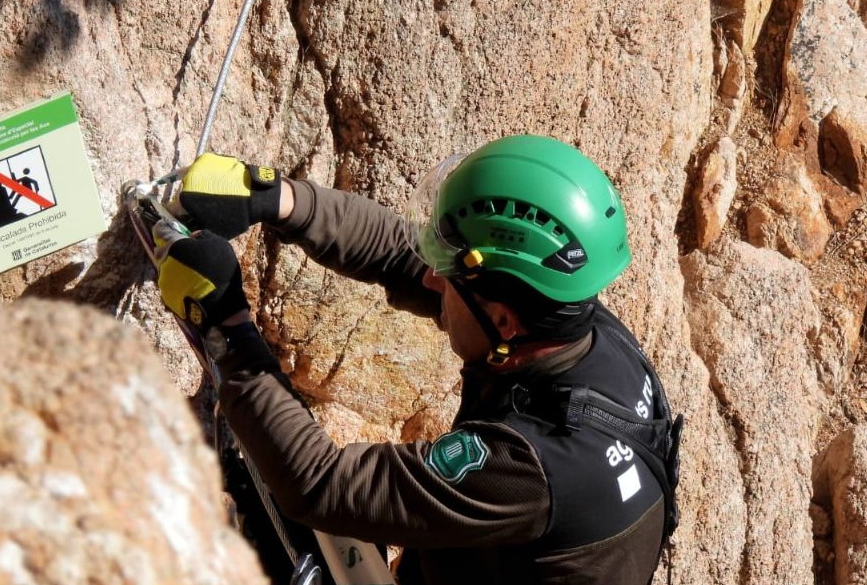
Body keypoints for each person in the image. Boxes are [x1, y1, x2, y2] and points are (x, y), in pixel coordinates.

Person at [152, 134, 683, 585]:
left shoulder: (533, 467)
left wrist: (223, 324)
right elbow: (405, 257)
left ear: (502, 322)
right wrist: (279, 199)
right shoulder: (572, 321)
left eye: (446, 277)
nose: (431, 279)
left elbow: (322, 484)